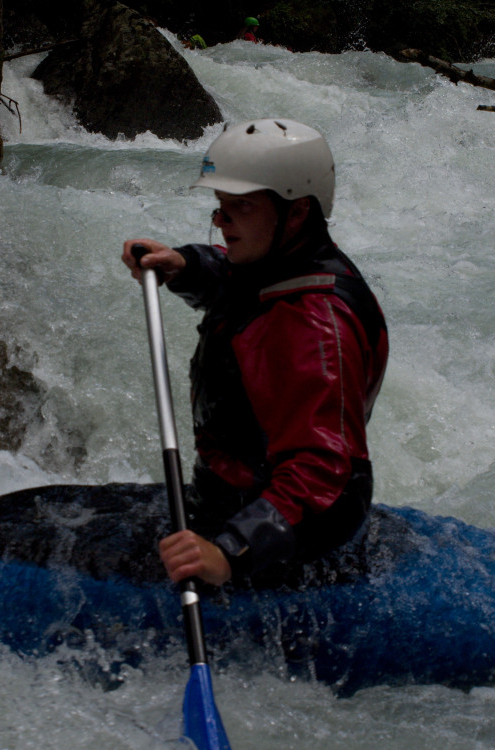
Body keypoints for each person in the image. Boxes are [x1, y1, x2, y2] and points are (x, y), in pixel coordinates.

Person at [122, 119, 388, 587]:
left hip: (272, 535)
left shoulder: (312, 325)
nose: (220, 220)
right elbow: (238, 286)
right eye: (220, 205)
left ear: (297, 211)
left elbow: (324, 472)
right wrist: (186, 267)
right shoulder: (283, 263)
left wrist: (230, 552)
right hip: (231, 499)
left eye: (240, 206)